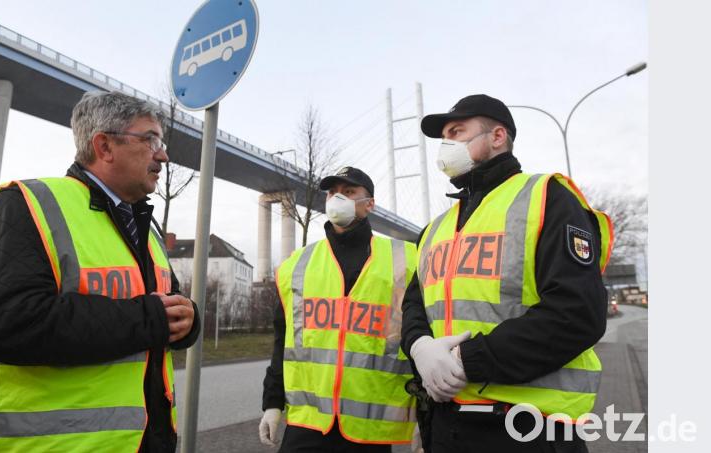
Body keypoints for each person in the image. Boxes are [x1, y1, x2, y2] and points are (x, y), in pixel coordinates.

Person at [0, 91, 201, 452]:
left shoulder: (146, 226)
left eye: (162, 141)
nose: (163, 154)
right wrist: (150, 318)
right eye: (151, 139)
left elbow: (165, 307)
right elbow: (2, 322)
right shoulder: (22, 205)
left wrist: (187, 320)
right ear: (105, 146)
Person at [400, 94, 613, 453]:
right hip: (446, 426)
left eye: (457, 132)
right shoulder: (435, 229)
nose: (446, 145)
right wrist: (420, 348)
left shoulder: (548, 198)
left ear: (497, 136)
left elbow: (577, 314)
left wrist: (466, 361)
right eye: (443, 138)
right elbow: (414, 309)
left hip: (528, 431)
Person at [258, 167, 418, 452]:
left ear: (369, 204)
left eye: (349, 192)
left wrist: (425, 418)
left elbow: (418, 337)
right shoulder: (298, 265)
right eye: (333, 193)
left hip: (370, 430)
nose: (337, 199)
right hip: (308, 424)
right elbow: (284, 342)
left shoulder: (406, 260)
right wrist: (272, 403)